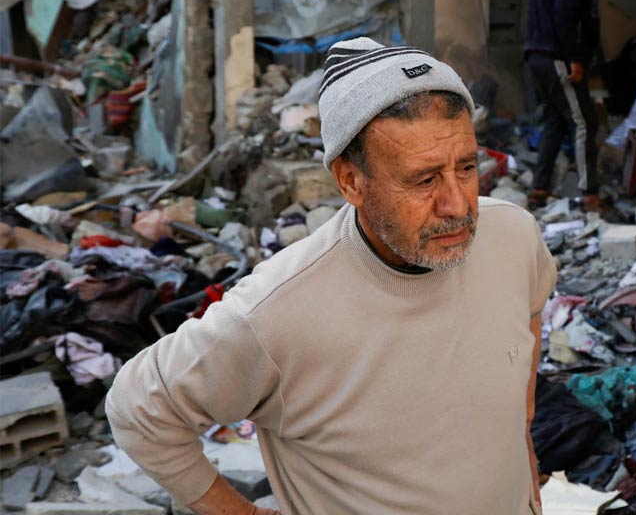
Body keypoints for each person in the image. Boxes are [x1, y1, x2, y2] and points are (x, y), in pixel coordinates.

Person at [106, 37, 558, 515]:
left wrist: (523, 450)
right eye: (424, 179)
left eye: (466, 168)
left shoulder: (513, 236)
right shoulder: (276, 311)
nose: (458, 205)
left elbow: (529, 312)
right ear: (350, 181)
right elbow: (138, 410)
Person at [524, 0, 611, 211]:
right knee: (583, 121)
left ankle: (539, 189)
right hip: (557, 57)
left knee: (556, 120)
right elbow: (565, 12)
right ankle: (589, 194)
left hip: (537, 55)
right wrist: (574, 58)